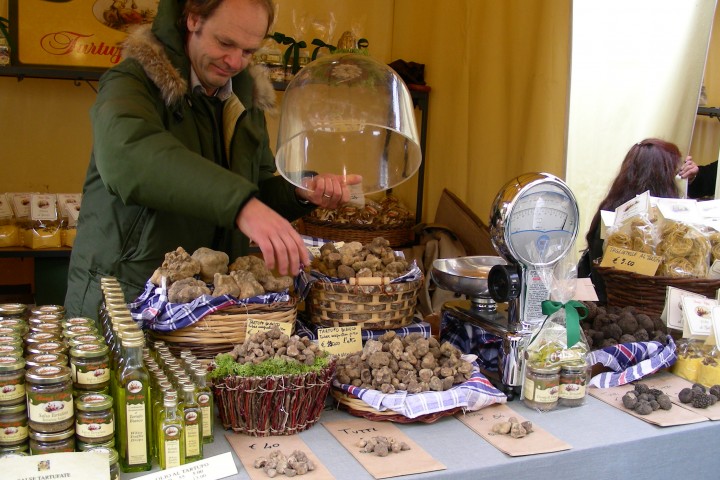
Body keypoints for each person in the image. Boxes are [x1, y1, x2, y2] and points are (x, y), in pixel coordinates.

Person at [65, 0, 359, 317]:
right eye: (225, 43)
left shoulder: (243, 102)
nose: (234, 61)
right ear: (193, 19)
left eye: (248, 51)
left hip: (206, 308)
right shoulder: (132, 81)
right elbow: (128, 154)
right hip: (128, 298)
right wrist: (242, 205)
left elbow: (255, 190)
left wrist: (299, 192)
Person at [578, 138, 692, 303]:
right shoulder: (655, 228)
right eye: (675, 172)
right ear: (663, 176)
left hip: (604, 309)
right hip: (636, 310)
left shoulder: (611, 210)